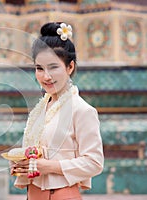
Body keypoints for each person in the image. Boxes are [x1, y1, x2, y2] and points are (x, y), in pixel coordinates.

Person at [10, 22, 104, 200]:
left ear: (70, 67)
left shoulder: (82, 110)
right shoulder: (40, 109)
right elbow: (37, 155)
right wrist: (21, 163)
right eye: (39, 68)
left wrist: (48, 166)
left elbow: (95, 162)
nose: (46, 76)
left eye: (53, 67)